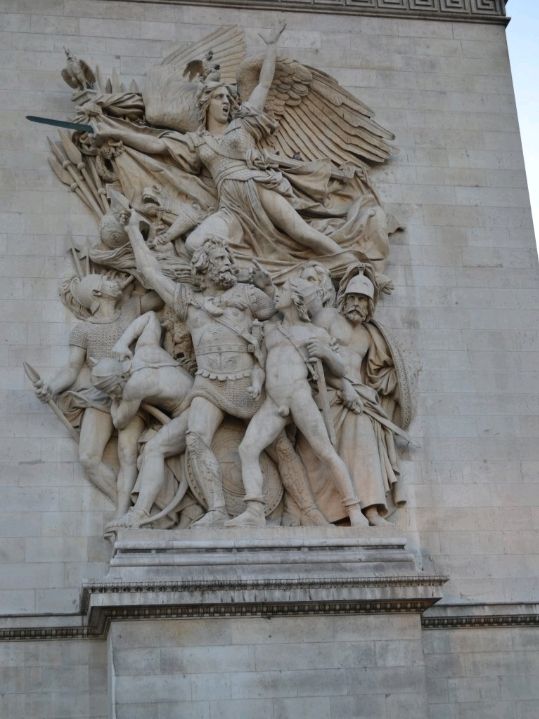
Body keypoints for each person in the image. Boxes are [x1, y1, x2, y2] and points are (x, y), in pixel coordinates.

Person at [94, 23, 360, 272]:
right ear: (206, 103)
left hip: (257, 187)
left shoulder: (243, 124)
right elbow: (156, 144)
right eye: (219, 97)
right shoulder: (198, 140)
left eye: (227, 98)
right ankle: (239, 280)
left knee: (301, 232)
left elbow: (264, 84)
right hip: (230, 207)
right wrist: (115, 131)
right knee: (194, 243)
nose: (225, 102)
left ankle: (354, 266)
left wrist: (271, 47)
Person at [121, 210, 276, 527]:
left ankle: (311, 509)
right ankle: (217, 509)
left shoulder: (246, 295)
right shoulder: (187, 302)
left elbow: (277, 314)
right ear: (202, 265)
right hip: (208, 386)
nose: (229, 264)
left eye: (229, 259)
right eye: (220, 259)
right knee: (195, 437)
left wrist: (269, 288)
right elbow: (150, 272)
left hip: (251, 385)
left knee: (282, 448)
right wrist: (132, 230)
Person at [233, 278, 368, 528]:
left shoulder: (315, 333)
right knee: (247, 449)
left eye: (283, 290)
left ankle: (354, 509)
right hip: (274, 402)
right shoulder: (271, 331)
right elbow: (261, 367)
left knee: (326, 453)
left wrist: (326, 353)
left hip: (299, 397)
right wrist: (255, 383)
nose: (277, 294)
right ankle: (254, 508)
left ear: (296, 300)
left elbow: (339, 370)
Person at [33, 273, 161, 503]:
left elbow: (161, 297)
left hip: (131, 393)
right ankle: (128, 507)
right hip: (100, 397)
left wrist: (142, 273)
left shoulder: (132, 308)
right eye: (107, 281)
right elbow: (72, 369)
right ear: (96, 293)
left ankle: (134, 509)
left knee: (127, 453)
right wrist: (50, 388)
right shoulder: (83, 330)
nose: (116, 281)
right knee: (88, 459)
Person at [302, 266, 410, 526]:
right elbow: (310, 358)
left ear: (370, 306)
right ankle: (341, 511)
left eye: (363, 300)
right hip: (328, 395)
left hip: (360, 400)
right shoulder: (327, 319)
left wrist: (396, 382)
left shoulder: (368, 335)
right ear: (344, 298)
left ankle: (371, 510)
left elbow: (374, 374)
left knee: (365, 443)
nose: (356, 304)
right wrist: (343, 387)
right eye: (352, 298)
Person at [89, 310, 194, 519]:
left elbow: (119, 421)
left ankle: (140, 513)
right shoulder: (144, 352)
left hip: (191, 414)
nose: (113, 394)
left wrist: (114, 400)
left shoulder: (133, 388)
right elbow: (150, 318)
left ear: (118, 381)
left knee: (153, 450)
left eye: (111, 390)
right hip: (197, 397)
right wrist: (122, 343)